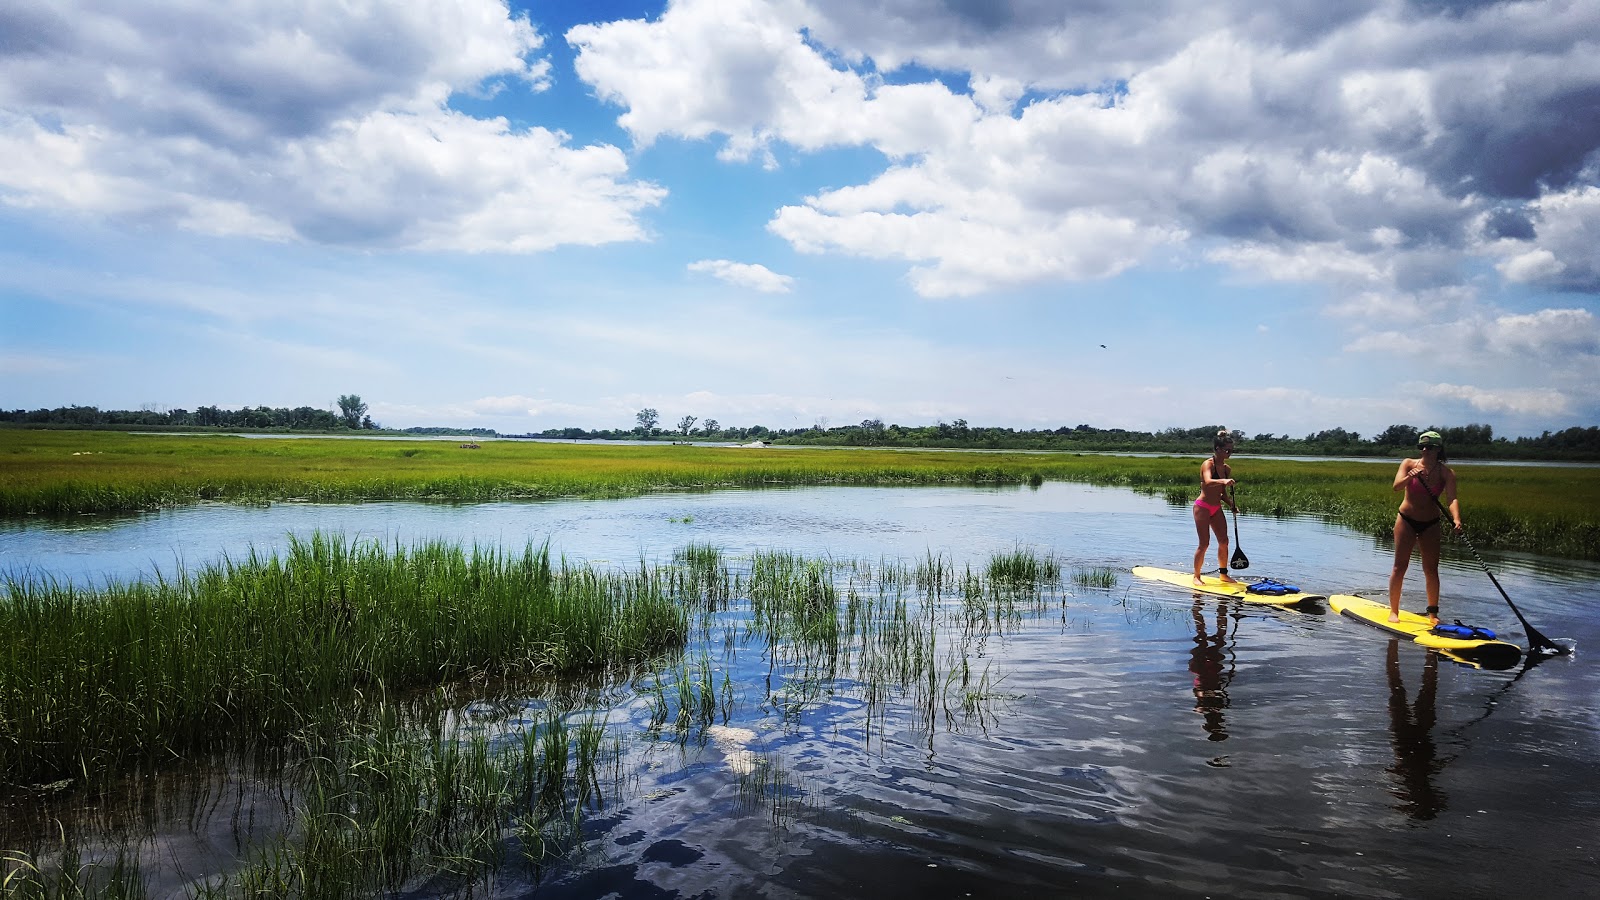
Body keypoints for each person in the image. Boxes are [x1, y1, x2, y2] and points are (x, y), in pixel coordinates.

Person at [1388, 430, 1462, 624]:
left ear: (1439, 449)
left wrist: (1456, 519)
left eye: (1430, 447)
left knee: (1431, 569)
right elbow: (1396, 486)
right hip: (1406, 519)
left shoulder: (1446, 473)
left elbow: (1452, 498)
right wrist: (1409, 477)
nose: (1425, 450)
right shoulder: (1408, 464)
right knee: (1400, 566)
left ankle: (1433, 614)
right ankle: (1394, 611)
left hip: (1431, 523)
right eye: (1422, 447)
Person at [1192, 428, 1237, 586]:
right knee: (1204, 543)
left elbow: (1222, 493)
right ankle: (1196, 576)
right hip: (1202, 507)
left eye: (1231, 450)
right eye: (1227, 450)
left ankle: (1223, 575)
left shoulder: (1226, 469)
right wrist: (1223, 481)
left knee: (1224, 541)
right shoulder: (1208, 464)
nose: (1229, 452)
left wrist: (1231, 504)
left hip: (1216, 508)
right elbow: (1209, 481)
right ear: (1218, 449)